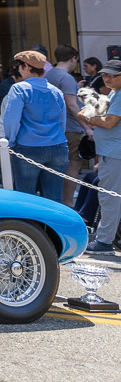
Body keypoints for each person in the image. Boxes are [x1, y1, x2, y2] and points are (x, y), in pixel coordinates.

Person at [0, 49, 69, 201]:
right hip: (58, 145)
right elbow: (62, 121)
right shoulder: (56, 91)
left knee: (26, 198)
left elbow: (11, 119)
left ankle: (30, 226)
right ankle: (52, 226)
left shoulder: (18, 88)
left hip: (28, 147)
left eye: (18, 66)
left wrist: (9, 141)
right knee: (54, 198)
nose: (17, 69)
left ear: (27, 67)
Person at [81, 60, 121, 252]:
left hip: (115, 154)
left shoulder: (119, 94)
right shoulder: (114, 93)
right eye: (105, 74)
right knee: (110, 197)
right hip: (111, 153)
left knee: (110, 198)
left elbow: (109, 122)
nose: (107, 78)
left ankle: (104, 241)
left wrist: (87, 118)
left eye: (113, 75)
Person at [49, 44, 92, 205]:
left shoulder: (49, 74)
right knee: (72, 167)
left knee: (58, 169)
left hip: (55, 128)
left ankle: (59, 203)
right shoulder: (66, 78)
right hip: (72, 128)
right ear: (73, 58)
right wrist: (87, 127)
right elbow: (72, 104)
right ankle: (68, 204)